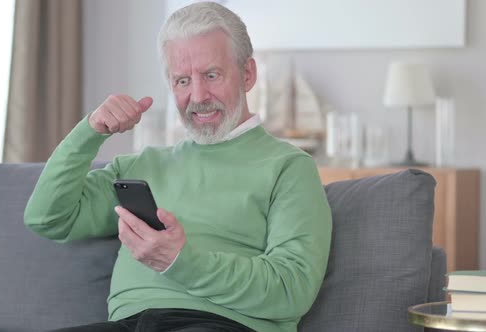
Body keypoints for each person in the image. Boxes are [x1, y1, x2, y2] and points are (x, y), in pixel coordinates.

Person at [24, 2, 332, 332]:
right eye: (182, 81)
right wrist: (89, 131)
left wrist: (179, 261)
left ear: (247, 74)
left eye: (211, 75)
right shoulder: (141, 165)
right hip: (127, 324)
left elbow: (292, 289)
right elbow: (48, 218)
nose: (198, 96)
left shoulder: (289, 167)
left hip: (218, 324)